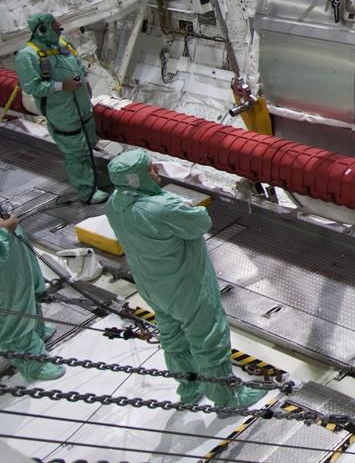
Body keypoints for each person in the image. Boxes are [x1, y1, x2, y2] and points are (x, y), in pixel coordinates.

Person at [104, 150, 264, 408]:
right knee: (208, 338)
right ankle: (228, 398)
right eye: (149, 169)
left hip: (152, 285)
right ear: (135, 179)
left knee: (173, 337)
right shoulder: (162, 207)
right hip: (186, 287)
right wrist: (179, 203)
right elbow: (200, 223)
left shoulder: (114, 203)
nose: (156, 170)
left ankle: (189, 387)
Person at [15, 13, 109, 204]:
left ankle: (93, 180)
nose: (59, 28)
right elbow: (31, 87)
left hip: (81, 104)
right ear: (41, 30)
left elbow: (76, 68)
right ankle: (87, 191)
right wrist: (61, 86)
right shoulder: (28, 56)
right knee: (75, 151)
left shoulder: (62, 43)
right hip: (62, 111)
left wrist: (84, 83)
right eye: (55, 26)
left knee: (89, 142)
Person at [0, 212, 64, 382]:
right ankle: (33, 364)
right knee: (12, 311)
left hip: (9, 240)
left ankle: (37, 330)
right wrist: (4, 232)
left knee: (27, 285)